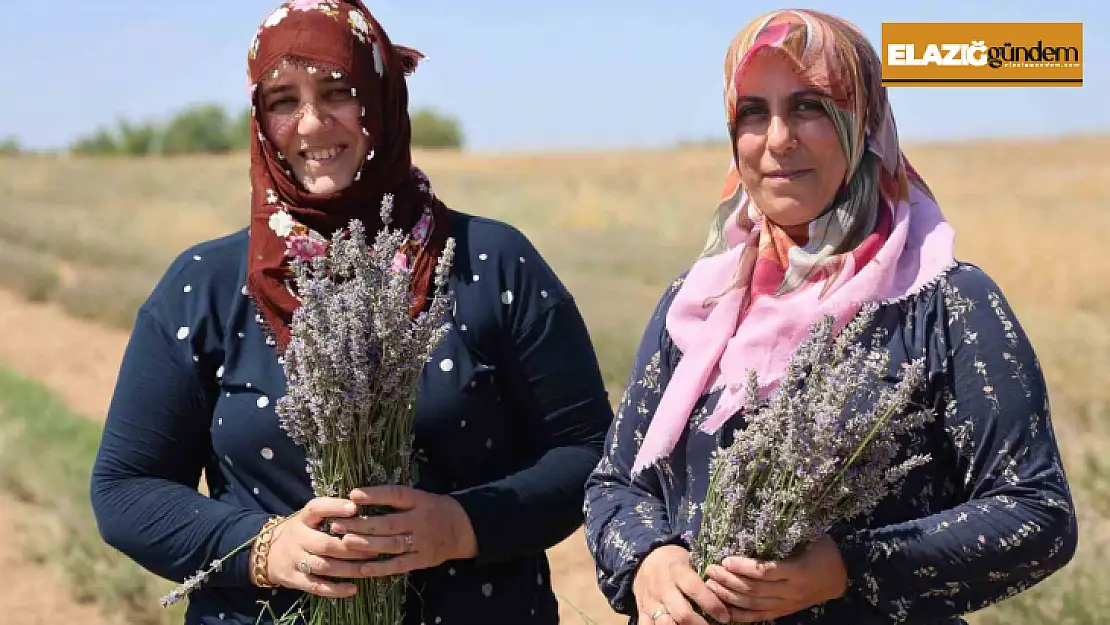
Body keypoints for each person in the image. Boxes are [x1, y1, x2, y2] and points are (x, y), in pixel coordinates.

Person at [89, 2, 614, 624]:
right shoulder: (202, 287)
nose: (311, 125)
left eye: (339, 91)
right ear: (259, 119)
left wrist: (461, 526)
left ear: (384, 97)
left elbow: (589, 453)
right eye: (283, 100)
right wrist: (266, 548)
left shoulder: (493, 264)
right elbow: (126, 490)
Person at [583, 9, 1078, 625]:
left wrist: (850, 569)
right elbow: (617, 484)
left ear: (863, 123)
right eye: (753, 113)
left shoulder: (944, 301)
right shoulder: (700, 303)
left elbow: (1036, 512)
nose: (778, 139)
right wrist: (650, 561)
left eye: (811, 106)